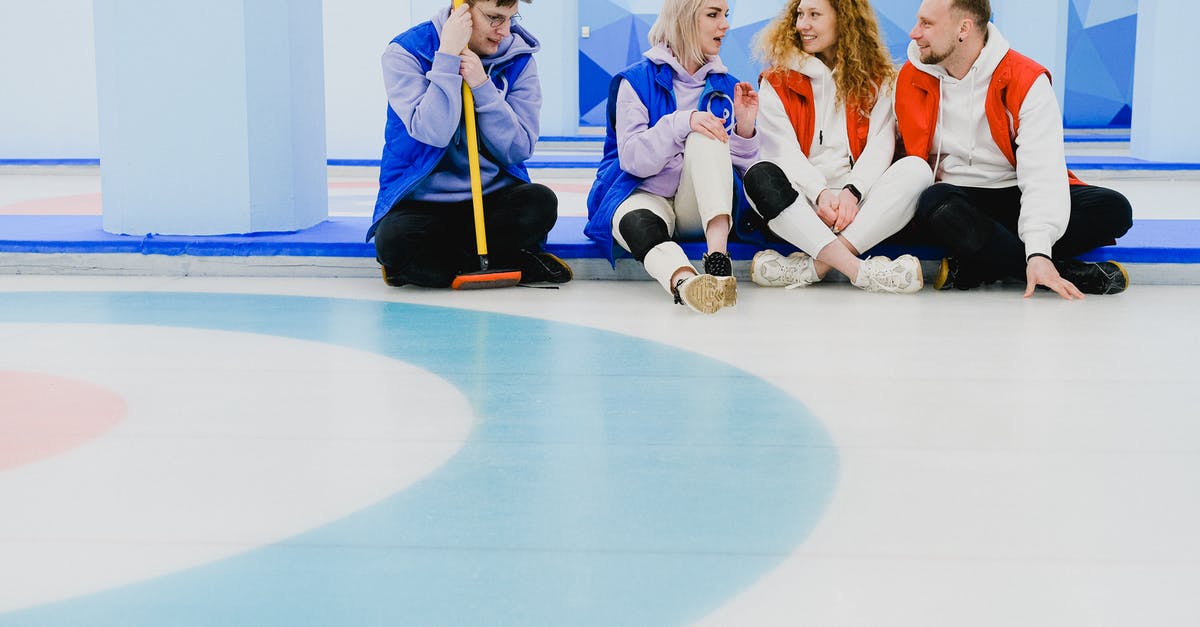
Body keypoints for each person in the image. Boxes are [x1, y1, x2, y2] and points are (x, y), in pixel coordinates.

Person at [898, 0, 1133, 299]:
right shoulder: (910, 77)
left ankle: (981, 265)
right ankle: (1060, 271)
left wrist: (1038, 249)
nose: (913, 33)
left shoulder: (1026, 79)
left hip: (1014, 192)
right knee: (936, 203)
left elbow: (1042, 173)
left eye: (926, 24)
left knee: (1113, 209)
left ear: (963, 29)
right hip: (956, 199)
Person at [369, 0, 572, 288]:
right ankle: (509, 260)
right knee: (393, 240)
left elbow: (518, 149)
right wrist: (447, 58)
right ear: (461, 10)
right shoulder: (405, 54)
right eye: (494, 18)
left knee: (540, 202)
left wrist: (482, 87)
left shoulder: (519, 60)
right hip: (424, 204)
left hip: (491, 199)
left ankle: (432, 265)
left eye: (511, 18)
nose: (504, 30)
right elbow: (434, 131)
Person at [742, 0, 933, 293]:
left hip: (860, 207)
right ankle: (861, 271)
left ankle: (812, 267)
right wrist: (820, 194)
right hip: (802, 205)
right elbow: (782, 153)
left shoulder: (878, 80)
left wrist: (852, 192)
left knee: (917, 170)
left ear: (844, 19)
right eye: (799, 14)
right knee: (759, 174)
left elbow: (880, 146)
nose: (801, 25)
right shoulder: (776, 81)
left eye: (814, 15)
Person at [584, 0, 760, 314]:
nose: (725, 25)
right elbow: (634, 160)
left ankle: (719, 264)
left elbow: (740, 174)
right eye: (713, 15)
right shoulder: (635, 81)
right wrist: (681, 121)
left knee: (707, 133)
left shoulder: (729, 88)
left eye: (726, 15)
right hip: (642, 194)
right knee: (635, 221)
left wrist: (745, 132)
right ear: (684, 20)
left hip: (698, 211)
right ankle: (685, 282)